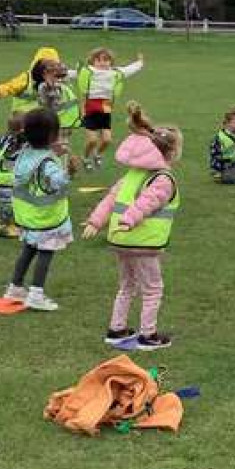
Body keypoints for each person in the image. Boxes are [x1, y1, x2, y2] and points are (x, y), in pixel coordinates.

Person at [83, 103, 183, 352]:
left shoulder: (131, 174)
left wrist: (97, 221)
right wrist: (130, 219)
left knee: (127, 285)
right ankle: (148, 335)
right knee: (152, 289)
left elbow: (110, 199)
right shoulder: (163, 179)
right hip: (143, 242)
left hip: (120, 241)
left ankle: (116, 329)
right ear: (170, 154)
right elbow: (146, 203)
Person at [3, 109, 78, 312]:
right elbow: (58, 182)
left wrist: (54, 152)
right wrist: (69, 172)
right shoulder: (47, 163)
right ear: (52, 136)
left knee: (28, 249)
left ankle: (15, 287)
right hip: (46, 218)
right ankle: (36, 293)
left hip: (26, 216)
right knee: (46, 251)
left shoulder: (24, 153)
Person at [73, 48, 144, 169]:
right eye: (98, 60)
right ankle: (85, 158)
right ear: (92, 61)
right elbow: (72, 73)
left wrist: (140, 62)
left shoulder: (115, 73)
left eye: (106, 60)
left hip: (105, 108)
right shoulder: (88, 71)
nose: (102, 63)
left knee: (107, 140)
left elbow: (129, 70)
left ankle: (97, 155)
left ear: (111, 62)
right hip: (90, 107)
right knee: (92, 141)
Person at [0, 45, 61, 113]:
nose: (49, 69)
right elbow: (10, 86)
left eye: (53, 66)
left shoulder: (58, 80)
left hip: (44, 119)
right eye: (46, 65)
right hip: (22, 119)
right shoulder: (26, 79)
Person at [36, 61, 82, 146]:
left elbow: (74, 74)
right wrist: (51, 86)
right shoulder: (44, 87)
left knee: (63, 145)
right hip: (55, 121)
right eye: (55, 75)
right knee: (58, 146)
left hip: (67, 122)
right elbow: (50, 102)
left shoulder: (61, 84)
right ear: (45, 75)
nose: (59, 79)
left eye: (60, 76)